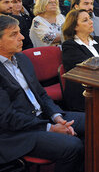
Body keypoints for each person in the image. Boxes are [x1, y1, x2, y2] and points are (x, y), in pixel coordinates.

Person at [0, 14, 85, 172]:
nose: (22, 37)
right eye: (13, 34)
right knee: (73, 146)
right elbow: (7, 118)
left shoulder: (22, 58)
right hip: (17, 132)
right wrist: (50, 128)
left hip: (42, 117)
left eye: (19, 32)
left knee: (93, 122)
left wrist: (57, 117)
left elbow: (41, 94)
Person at [61, 9, 99, 111]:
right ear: (75, 26)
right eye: (85, 20)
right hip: (84, 91)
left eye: (90, 18)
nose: (91, 22)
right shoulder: (69, 46)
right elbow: (86, 67)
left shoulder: (98, 41)